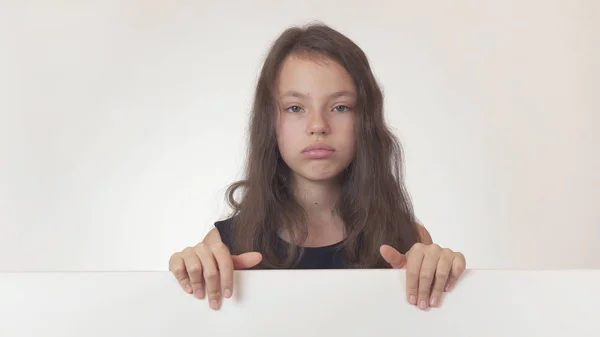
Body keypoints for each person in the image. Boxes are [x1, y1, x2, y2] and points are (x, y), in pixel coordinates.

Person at [169, 22, 466, 312]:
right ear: (270, 121)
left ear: (365, 121)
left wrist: (443, 275)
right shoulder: (224, 245)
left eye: (340, 107)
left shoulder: (409, 241)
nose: (318, 126)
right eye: (295, 108)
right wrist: (191, 274)